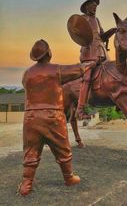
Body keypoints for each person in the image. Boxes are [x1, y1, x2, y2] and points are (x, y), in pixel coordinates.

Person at [18, 39, 94, 196]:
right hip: (53, 117)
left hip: (31, 118)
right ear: (49, 54)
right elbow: (78, 69)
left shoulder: (27, 73)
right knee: (63, 148)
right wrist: (91, 64)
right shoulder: (56, 70)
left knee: (30, 150)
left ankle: (26, 183)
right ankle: (69, 178)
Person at [76, 0, 116, 119]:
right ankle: (81, 108)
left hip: (101, 51)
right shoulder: (82, 19)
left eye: (96, 6)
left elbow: (102, 36)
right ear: (86, 6)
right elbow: (77, 34)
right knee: (87, 76)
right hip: (89, 52)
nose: (95, 7)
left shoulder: (96, 20)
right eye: (92, 5)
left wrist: (112, 30)